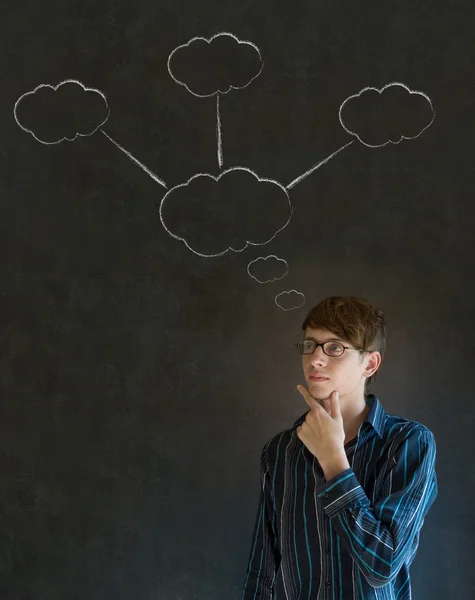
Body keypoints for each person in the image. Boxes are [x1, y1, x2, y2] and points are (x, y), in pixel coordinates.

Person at [241, 296, 438, 600]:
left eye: (335, 348)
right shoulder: (280, 451)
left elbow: (382, 566)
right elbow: (262, 573)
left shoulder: (408, 443)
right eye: (309, 345)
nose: (315, 359)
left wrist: (333, 461)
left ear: (369, 363)